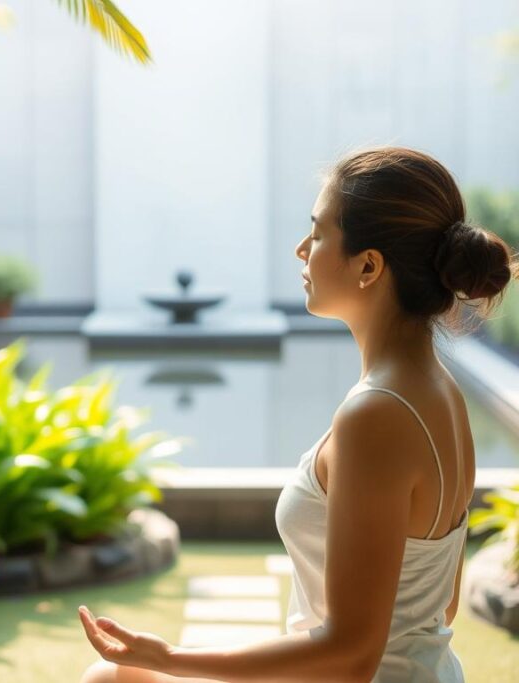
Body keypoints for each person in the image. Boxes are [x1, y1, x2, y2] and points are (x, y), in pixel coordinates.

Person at [77, 146, 519, 682]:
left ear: (368, 266)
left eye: (317, 233)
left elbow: (353, 656)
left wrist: (168, 658)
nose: (301, 250)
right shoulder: (443, 395)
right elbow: (434, 609)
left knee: (112, 679)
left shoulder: (376, 415)